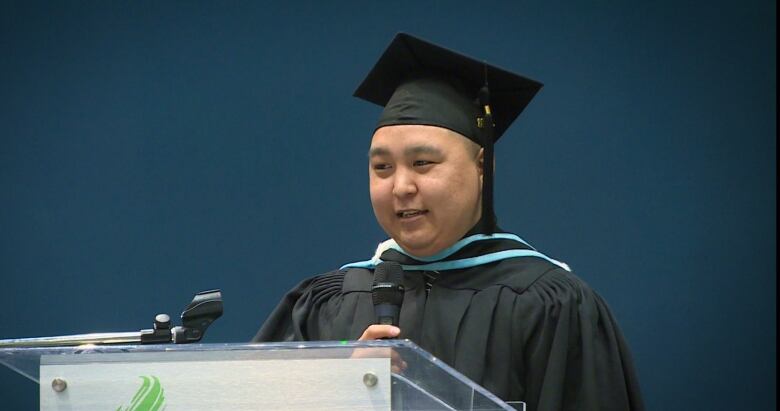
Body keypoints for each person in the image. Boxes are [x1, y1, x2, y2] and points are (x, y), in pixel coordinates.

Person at [253, 33, 644, 411]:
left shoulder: (549, 305)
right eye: (382, 167)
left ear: (482, 168)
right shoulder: (330, 303)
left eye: (422, 163)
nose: (401, 186)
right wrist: (339, 390)